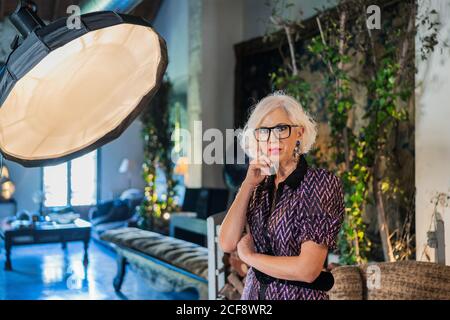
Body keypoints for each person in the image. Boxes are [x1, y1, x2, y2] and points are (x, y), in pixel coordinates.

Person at [218, 92, 345, 300]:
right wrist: (247, 184)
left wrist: (250, 257)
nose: (272, 138)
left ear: (299, 133)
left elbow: (307, 269)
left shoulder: (320, 183)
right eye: (264, 131)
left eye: (280, 128)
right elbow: (227, 243)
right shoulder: (259, 184)